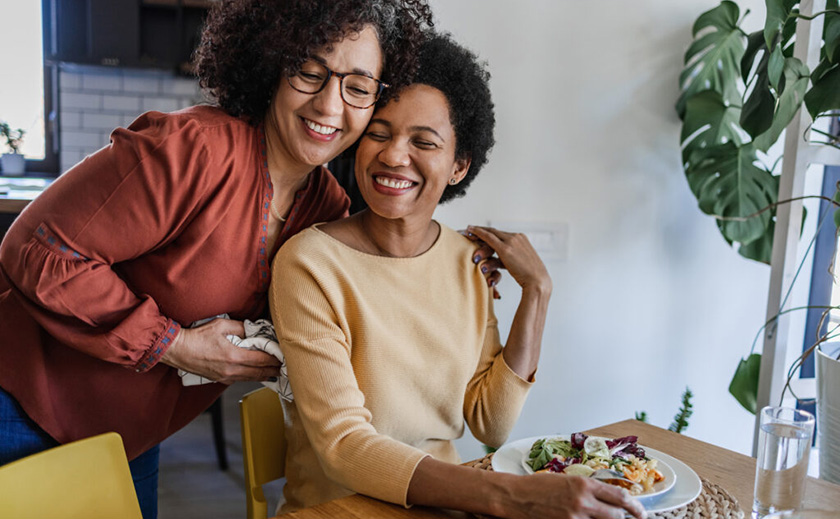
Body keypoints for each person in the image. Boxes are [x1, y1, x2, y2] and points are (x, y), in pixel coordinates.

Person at [0, 2, 477, 518]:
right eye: (308, 71)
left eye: (358, 87)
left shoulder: (326, 210)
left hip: (129, 435)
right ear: (273, 63)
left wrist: (463, 270)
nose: (329, 105)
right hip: (20, 403)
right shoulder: (193, 150)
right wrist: (173, 344)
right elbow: (38, 249)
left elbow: (373, 312)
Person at [270, 33, 646, 519]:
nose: (392, 156)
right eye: (379, 133)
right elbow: (343, 445)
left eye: (423, 142)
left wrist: (538, 291)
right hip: (338, 508)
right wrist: (508, 495)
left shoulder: (465, 261)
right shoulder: (310, 263)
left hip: (443, 503)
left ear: (458, 166)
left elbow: (490, 423)